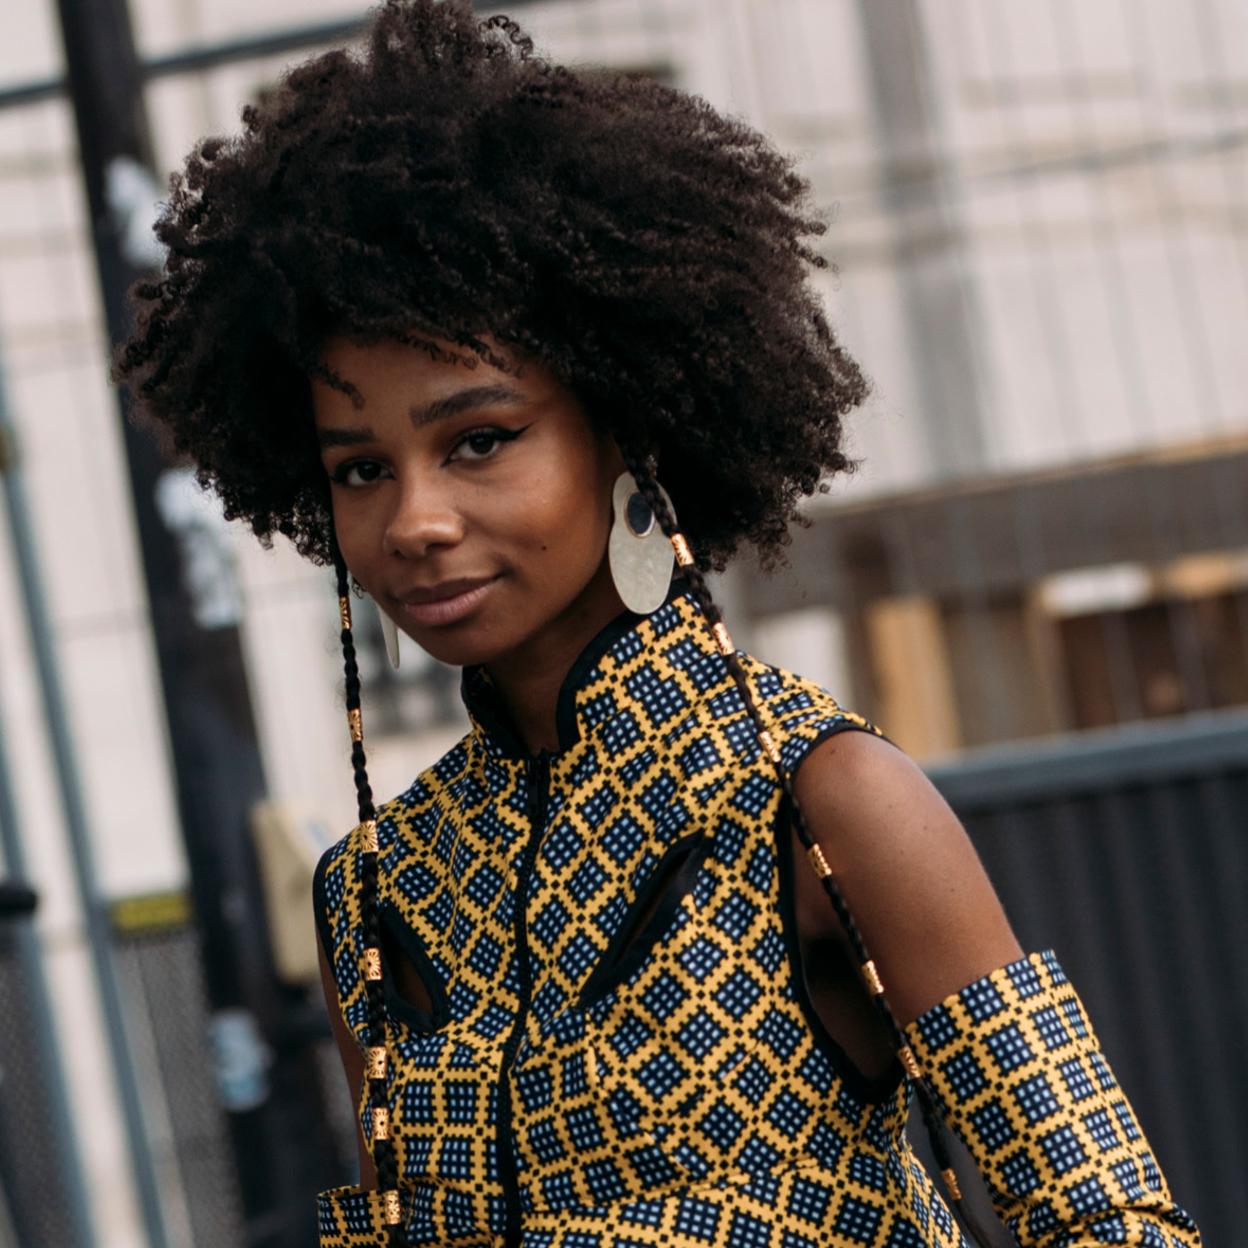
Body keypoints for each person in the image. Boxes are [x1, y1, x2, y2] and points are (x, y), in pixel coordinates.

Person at [114, 3, 1202, 1246]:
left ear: (624, 429)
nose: (414, 519)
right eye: (362, 467)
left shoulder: (820, 798)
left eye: (480, 441)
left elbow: (1110, 1218)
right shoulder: (380, 890)